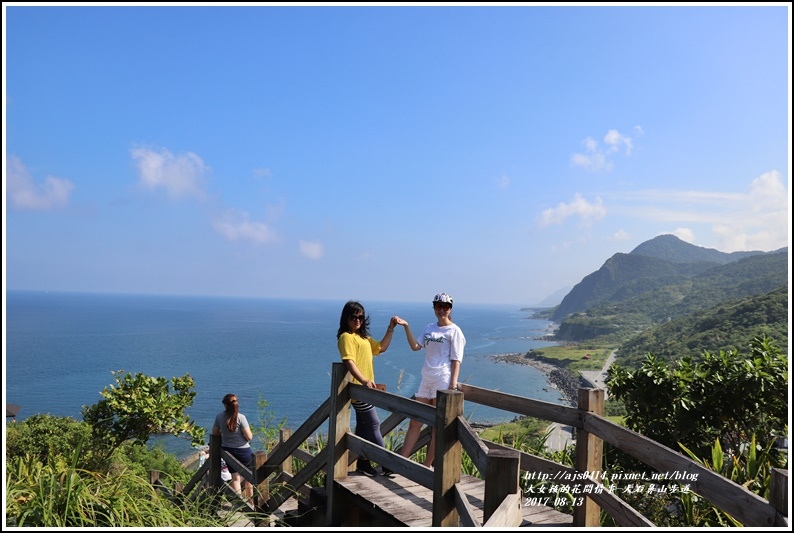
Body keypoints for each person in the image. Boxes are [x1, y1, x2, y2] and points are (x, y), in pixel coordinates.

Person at [393, 292, 466, 467]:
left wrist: (452, 385)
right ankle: (402, 461)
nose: (442, 310)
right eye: (439, 306)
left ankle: (427, 464)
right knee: (415, 421)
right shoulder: (429, 328)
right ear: (434, 307)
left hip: (442, 379)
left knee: (436, 426)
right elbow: (415, 346)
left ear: (450, 309)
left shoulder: (454, 331)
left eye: (446, 307)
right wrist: (406, 326)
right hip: (426, 378)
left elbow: (456, 360)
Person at [337, 300, 398, 477]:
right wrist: (363, 380)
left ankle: (363, 463)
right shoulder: (346, 337)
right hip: (359, 390)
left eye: (361, 317)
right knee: (374, 423)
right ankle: (386, 463)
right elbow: (348, 361)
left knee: (364, 426)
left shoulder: (363, 338)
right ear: (346, 318)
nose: (357, 320)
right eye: (353, 317)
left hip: (365, 389)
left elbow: (381, 348)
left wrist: (391, 327)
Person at [212, 393, 254, 497]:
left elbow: (215, 434)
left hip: (228, 451)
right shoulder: (241, 417)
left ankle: (239, 505)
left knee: (235, 477)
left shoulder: (219, 417)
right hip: (243, 451)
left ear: (225, 405)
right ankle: (251, 502)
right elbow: (249, 437)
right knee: (249, 478)